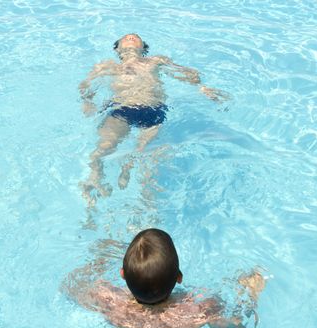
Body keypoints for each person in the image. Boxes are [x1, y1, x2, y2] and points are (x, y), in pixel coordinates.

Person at [79, 34, 229, 207]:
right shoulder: (107, 65)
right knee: (102, 149)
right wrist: (87, 103)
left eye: (136, 37)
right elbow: (85, 87)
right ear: (117, 48)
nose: (131, 38)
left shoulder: (155, 61)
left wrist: (202, 87)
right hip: (121, 108)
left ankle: (143, 197)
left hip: (153, 110)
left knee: (148, 158)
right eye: (126, 38)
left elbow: (187, 74)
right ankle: (95, 177)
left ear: (144, 47)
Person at [62, 229, 265, 328]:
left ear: (122, 274)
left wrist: (100, 258)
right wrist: (250, 293)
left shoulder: (109, 301)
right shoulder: (196, 309)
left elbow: (69, 286)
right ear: (179, 278)